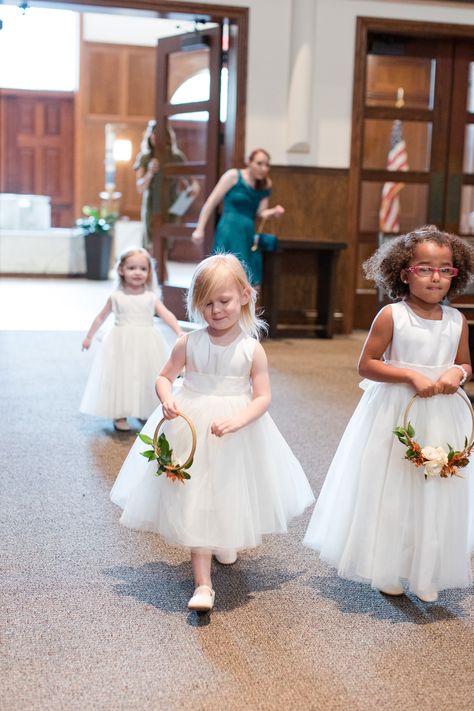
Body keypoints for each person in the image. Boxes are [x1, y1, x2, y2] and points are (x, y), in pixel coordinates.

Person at [110, 254, 314, 612]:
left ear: (245, 296)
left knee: (229, 484)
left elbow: (264, 396)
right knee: (196, 494)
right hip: (192, 422)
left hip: (237, 428)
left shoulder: (252, 350)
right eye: (207, 303)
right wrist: (168, 398)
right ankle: (203, 584)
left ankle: (225, 538)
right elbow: (163, 376)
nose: (216, 310)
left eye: (225, 301)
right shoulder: (189, 343)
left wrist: (239, 420)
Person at [304, 225, 474, 603]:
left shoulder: (456, 321)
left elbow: (465, 363)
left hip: (443, 414)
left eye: (446, 270)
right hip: (398, 411)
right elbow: (366, 365)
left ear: (455, 275)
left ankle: (427, 569)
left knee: (437, 487)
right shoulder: (391, 315)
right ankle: (388, 565)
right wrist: (410, 374)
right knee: (395, 487)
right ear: (403, 272)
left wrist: (456, 373)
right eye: (425, 268)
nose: (436, 277)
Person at [80, 247, 183, 432]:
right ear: (121, 270)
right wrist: (89, 336)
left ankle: (143, 409)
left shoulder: (151, 297)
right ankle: (120, 413)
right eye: (132, 268)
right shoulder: (116, 297)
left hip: (146, 342)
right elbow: (100, 317)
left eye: (143, 269)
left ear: (149, 272)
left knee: (144, 375)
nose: (137, 272)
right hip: (121, 342)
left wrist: (178, 331)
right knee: (121, 377)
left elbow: (167, 315)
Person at [191, 148, 285, 286]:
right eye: (259, 163)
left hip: (247, 232)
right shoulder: (233, 176)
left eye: (267, 165)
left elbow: (261, 212)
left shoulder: (265, 184)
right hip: (229, 229)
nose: (263, 168)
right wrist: (199, 228)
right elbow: (211, 202)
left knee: (247, 275)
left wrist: (273, 212)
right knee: (223, 272)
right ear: (249, 161)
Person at [134, 122, 187, 250]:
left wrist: (178, 209)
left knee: (163, 252)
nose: (154, 136)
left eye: (159, 133)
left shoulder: (177, 158)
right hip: (152, 209)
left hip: (170, 209)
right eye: (153, 132)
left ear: (167, 136)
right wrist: (150, 173)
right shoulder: (145, 158)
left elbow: (194, 188)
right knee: (150, 249)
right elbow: (140, 188)